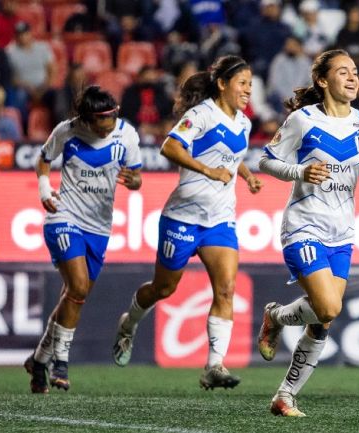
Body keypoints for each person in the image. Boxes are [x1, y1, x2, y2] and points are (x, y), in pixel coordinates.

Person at [111, 55, 263, 390]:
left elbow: (231, 158)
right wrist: (208, 171)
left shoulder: (244, 123)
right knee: (163, 288)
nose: (248, 90)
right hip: (183, 217)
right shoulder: (201, 114)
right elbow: (170, 147)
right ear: (222, 84)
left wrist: (248, 175)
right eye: (242, 83)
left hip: (220, 220)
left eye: (251, 84)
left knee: (225, 289)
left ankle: (214, 366)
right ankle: (128, 325)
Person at [256, 49, 359, 417]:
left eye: (355, 72)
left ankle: (285, 396)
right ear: (322, 80)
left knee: (324, 319)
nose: (353, 78)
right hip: (303, 224)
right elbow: (266, 159)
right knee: (329, 306)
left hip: (342, 231)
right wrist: (300, 172)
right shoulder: (302, 120)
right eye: (343, 72)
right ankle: (277, 317)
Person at [23, 85, 142, 393]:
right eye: (104, 120)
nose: (110, 125)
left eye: (113, 117)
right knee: (76, 287)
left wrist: (134, 181)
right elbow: (43, 159)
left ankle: (38, 361)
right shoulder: (67, 131)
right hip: (64, 217)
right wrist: (44, 191)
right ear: (88, 120)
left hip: (99, 227)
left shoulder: (126, 134)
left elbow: (137, 177)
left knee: (74, 296)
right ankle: (60, 362)